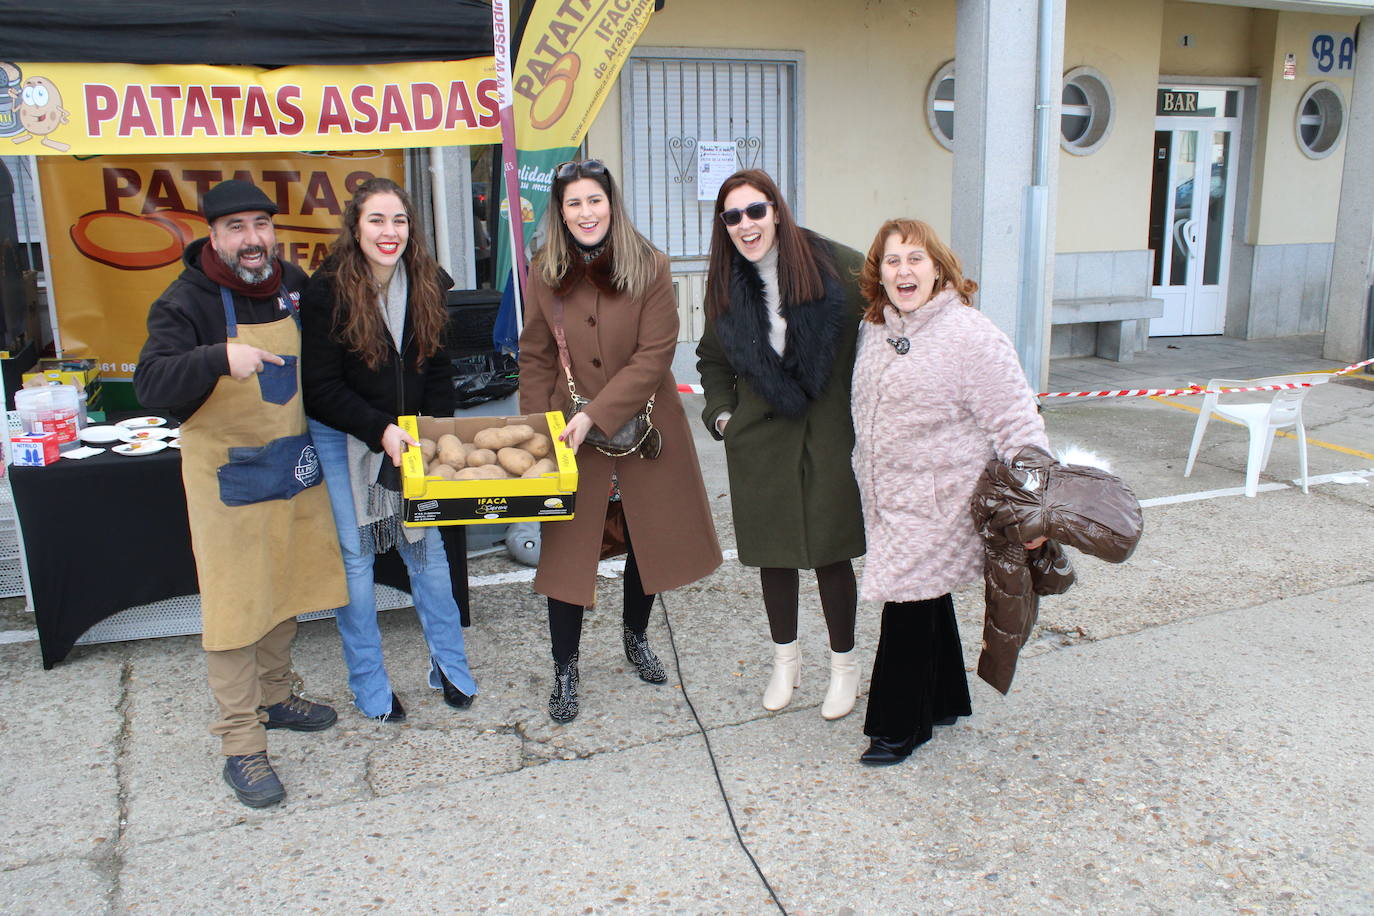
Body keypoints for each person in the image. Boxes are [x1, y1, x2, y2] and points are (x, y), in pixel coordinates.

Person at [134, 179, 348, 808]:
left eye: (261, 224)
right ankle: (240, 743)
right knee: (235, 607)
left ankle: (276, 698)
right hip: (227, 476)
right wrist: (216, 358)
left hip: (291, 463)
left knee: (288, 583)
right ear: (214, 235)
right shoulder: (187, 301)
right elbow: (151, 382)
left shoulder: (292, 284)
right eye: (236, 228)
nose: (252, 240)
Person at [518, 159, 722, 722]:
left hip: (648, 428)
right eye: (574, 203)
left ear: (612, 203)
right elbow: (535, 355)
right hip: (569, 433)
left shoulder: (650, 265)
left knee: (646, 539)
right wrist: (539, 429)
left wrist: (598, 414)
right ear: (561, 212)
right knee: (568, 553)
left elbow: (655, 354)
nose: (586, 213)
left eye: (595, 201)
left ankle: (636, 637)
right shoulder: (544, 271)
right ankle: (565, 670)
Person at [850, 217, 1050, 766]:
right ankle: (942, 700)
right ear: (880, 274)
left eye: (915, 258)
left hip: (942, 499)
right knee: (924, 593)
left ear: (938, 268)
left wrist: (1034, 505)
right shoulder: (876, 328)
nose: (903, 269)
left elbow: (1018, 423)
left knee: (907, 597)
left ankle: (895, 727)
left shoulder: (970, 334)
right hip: (887, 496)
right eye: (892, 260)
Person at [300, 177, 478, 723]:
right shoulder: (326, 289)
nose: (389, 231)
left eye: (399, 220)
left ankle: (449, 666)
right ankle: (367, 682)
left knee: (426, 553)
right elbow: (321, 389)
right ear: (356, 227)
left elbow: (441, 369)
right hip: (346, 437)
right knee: (356, 562)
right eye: (377, 220)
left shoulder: (428, 281)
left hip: (411, 437)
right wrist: (379, 430)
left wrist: (435, 432)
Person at [695, 169, 867, 720]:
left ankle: (844, 668)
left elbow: (888, 319)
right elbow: (713, 359)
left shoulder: (836, 263)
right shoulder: (725, 284)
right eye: (732, 217)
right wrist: (723, 417)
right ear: (723, 227)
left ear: (776, 210)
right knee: (774, 556)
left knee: (831, 553)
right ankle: (785, 663)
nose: (746, 225)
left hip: (827, 432)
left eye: (755, 211)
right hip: (761, 439)